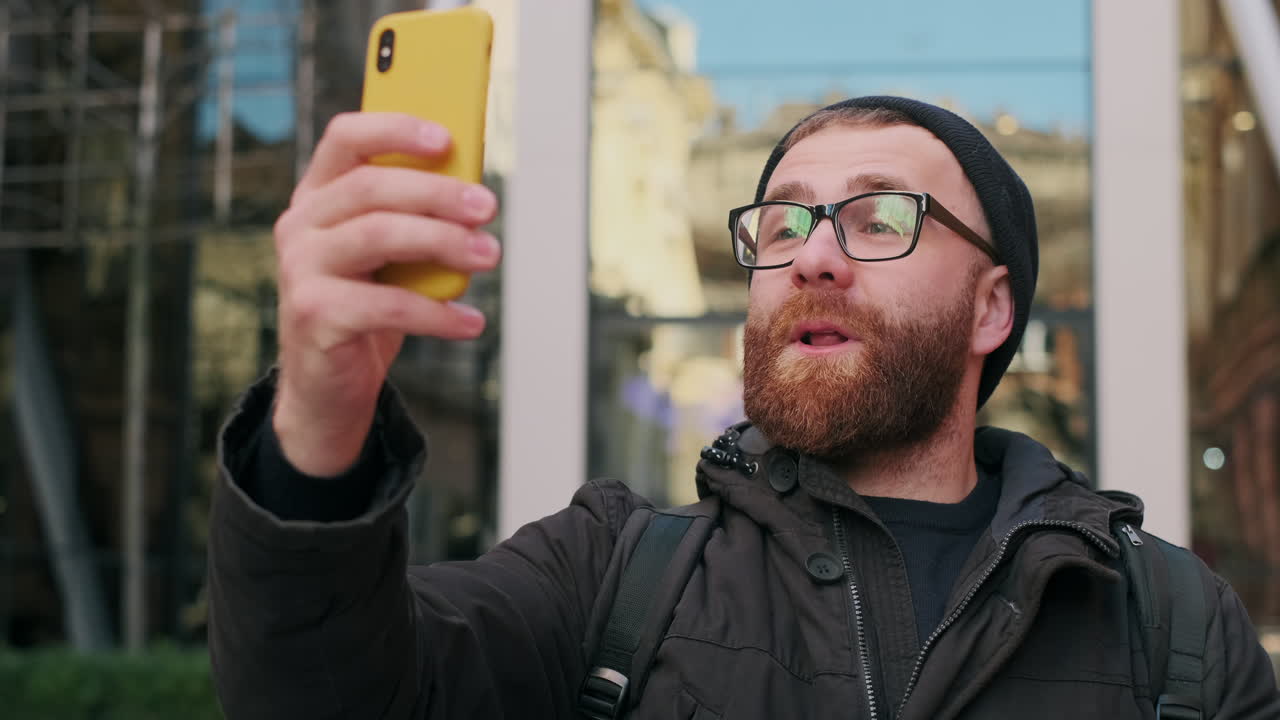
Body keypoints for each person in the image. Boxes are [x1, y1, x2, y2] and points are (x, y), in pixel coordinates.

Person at [207, 96, 1280, 719]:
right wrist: (320, 412)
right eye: (779, 225)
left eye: (877, 217)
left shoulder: (1168, 624)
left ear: (989, 308)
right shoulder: (610, 575)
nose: (811, 254)